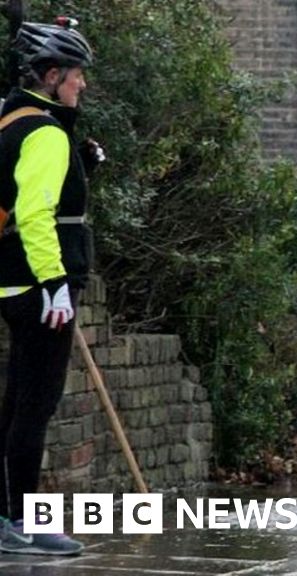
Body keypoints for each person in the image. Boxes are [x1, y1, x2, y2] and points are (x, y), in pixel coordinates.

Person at [0, 19, 101, 556]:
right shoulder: (44, 132)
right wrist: (56, 284)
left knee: (16, 404)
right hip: (38, 287)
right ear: (53, 75)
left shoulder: (11, 118)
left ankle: (6, 517)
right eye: (76, 73)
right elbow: (37, 215)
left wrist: (81, 166)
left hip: (11, 281)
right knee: (34, 408)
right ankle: (22, 522)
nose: (82, 83)